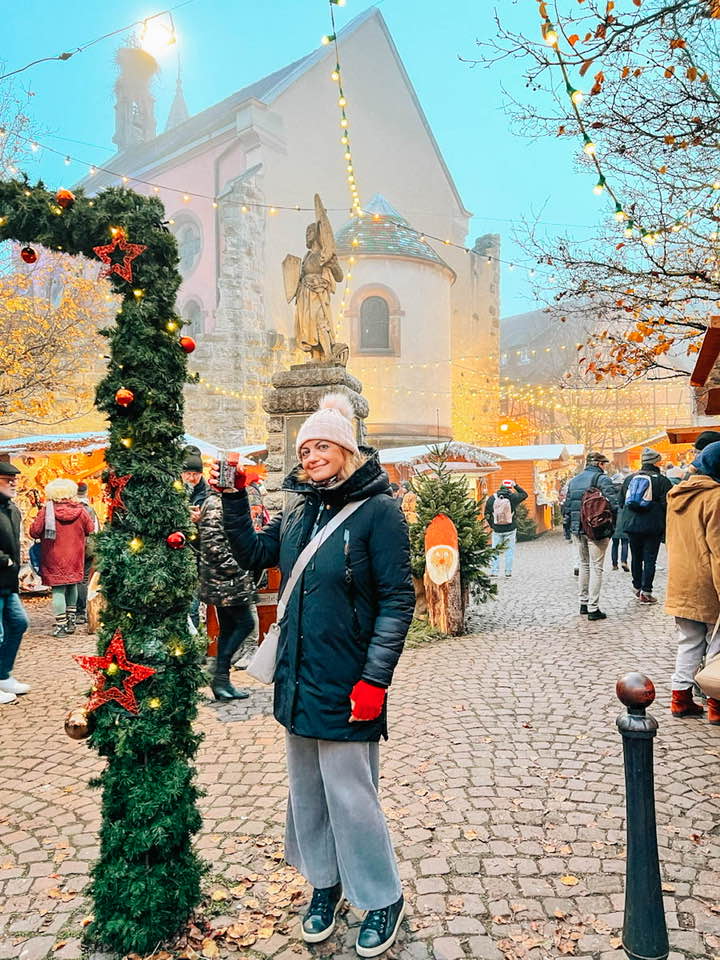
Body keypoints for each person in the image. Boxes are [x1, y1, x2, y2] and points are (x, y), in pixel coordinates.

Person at [217, 393, 414, 958]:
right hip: (298, 677)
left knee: (352, 796)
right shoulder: (300, 508)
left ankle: (381, 897)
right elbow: (257, 554)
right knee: (306, 794)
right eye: (305, 448)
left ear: (347, 449)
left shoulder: (380, 511)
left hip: (350, 680)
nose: (311, 456)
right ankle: (325, 885)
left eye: (322, 445)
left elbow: (398, 601)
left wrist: (374, 680)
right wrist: (233, 500)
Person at [665, 441, 720, 722]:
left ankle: (680, 697)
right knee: (717, 643)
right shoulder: (716, 498)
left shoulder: (675, 495)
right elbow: (718, 550)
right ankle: (716, 705)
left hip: (681, 580)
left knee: (689, 642)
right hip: (707, 582)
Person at [198, 491, 254, 701]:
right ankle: (219, 672)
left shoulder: (212, 502)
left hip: (221, 580)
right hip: (227, 580)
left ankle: (222, 681)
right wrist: (242, 566)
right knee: (245, 624)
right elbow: (216, 546)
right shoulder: (217, 503)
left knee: (229, 627)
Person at [30, 479, 94, 637]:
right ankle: (71, 620)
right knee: (72, 585)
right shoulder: (81, 510)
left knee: (58, 589)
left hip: (53, 555)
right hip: (75, 555)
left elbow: (34, 532)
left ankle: (60, 625)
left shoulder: (47, 511)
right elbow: (90, 529)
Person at [563, 452, 619, 621]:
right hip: (596, 529)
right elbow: (614, 504)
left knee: (584, 565)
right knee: (597, 568)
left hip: (576, 528)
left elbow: (567, 506)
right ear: (600, 464)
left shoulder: (574, 481)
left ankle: (583, 603)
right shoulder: (602, 479)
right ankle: (593, 608)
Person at [619, 448, 673, 604]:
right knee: (650, 558)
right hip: (652, 525)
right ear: (656, 462)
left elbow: (622, 502)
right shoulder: (662, 480)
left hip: (632, 525)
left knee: (635, 556)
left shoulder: (629, 479)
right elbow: (668, 504)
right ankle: (646, 591)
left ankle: (636, 587)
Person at [0, 462, 31, 704]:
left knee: (19, 623)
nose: (13, 482)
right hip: (2, 573)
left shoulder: (11, 508)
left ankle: (3, 675)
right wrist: (5, 561)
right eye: (7, 478)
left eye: (15, 478)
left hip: (7, 584)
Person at [182, 448, 210, 628]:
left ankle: (191, 645)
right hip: (175, 552)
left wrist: (200, 521)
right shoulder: (173, 492)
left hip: (198, 553)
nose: (192, 478)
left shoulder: (208, 494)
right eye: (188, 473)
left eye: (196, 474)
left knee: (192, 605)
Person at [484, 480, 528, 578]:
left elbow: (486, 514)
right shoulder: (513, 497)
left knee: (495, 550)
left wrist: (493, 525)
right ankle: (508, 572)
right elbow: (525, 494)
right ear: (510, 488)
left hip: (497, 529)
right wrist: (516, 485)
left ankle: (494, 571)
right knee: (509, 551)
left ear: (500, 487)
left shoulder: (492, 498)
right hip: (510, 529)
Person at [75, 482, 99, 625]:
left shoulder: (68, 507)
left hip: (72, 548)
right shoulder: (90, 510)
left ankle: (70, 611)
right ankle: (80, 612)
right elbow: (94, 530)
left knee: (72, 580)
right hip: (87, 547)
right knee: (83, 579)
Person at [609, 473, 629, 572]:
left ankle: (614, 564)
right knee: (625, 542)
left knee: (615, 543)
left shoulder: (610, 491)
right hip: (624, 518)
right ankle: (624, 561)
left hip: (614, 520)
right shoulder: (625, 490)